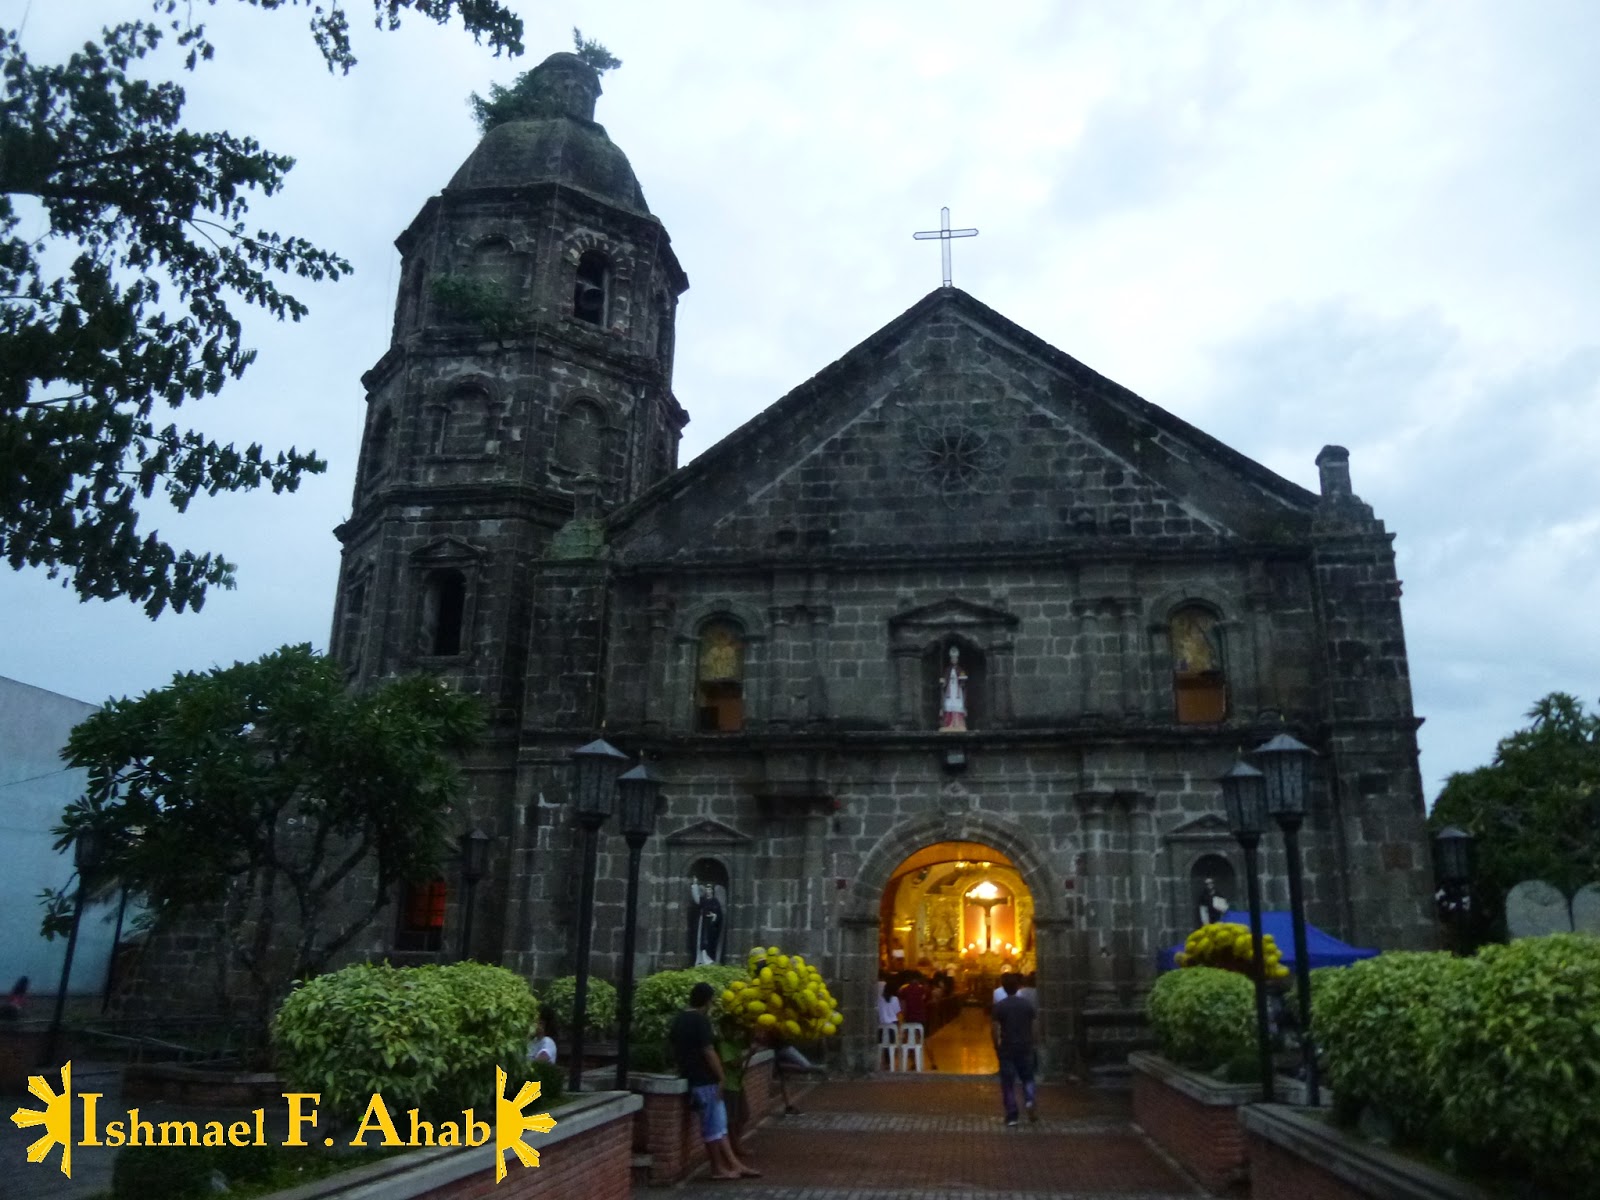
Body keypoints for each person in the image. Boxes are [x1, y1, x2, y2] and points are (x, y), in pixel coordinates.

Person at [668, 982, 760, 1181]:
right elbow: (708, 1051)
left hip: (693, 1075)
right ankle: (718, 1168)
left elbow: (674, 1046)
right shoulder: (701, 1021)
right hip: (705, 1079)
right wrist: (721, 1076)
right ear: (707, 1001)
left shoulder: (680, 1019)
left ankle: (734, 1164)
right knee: (713, 1126)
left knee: (719, 1125)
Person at [991, 974, 1038, 1126]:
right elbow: (1035, 1026)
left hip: (1007, 1046)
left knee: (1008, 1082)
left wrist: (996, 1045)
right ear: (1018, 987)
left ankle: (1012, 1115)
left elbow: (995, 1028)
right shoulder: (1026, 1005)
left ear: (1004, 988)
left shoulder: (1000, 1006)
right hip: (1025, 1045)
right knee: (1028, 1077)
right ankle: (1030, 1099)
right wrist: (1034, 1042)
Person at [940, 645, 968, 732]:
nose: (954, 660)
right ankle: (949, 724)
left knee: (958, 705)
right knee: (948, 705)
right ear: (950, 659)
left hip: (957, 691)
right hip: (949, 690)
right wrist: (943, 683)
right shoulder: (947, 670)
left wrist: (962, 681)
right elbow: (944, 679)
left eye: (955, 659)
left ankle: (958, 724)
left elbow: (963, 679)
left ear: (957, 659)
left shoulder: (960, 669)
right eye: (952, 659)